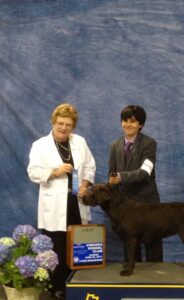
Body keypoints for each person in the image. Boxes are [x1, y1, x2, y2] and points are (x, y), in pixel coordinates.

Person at [27, 103, 96, 299]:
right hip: (54, 205)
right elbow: (32, 172)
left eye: (68, 124)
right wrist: (54, 172)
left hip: (76, 201)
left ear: (73, 126)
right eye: (60, 123)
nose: (63, 128)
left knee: (78, 246)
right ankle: (58, 288)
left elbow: (90, 165)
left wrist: (85, 183)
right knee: (57, 247)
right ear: (53, 122)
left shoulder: (80, 142)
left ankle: (80, 288)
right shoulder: (40, 145)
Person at [108, 105, 163, 262]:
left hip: (148, 204)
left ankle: (157, 277)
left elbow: (145, 172)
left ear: (141, 124)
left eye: (133, 121)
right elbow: (112, 174)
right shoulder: (115, 146)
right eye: (125, 121)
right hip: (125, 207)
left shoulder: (149, 144)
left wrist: (121, 177)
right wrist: (111, 181)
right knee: (130, 245)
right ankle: (133, 278)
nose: (128, 124)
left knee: (153, 245)